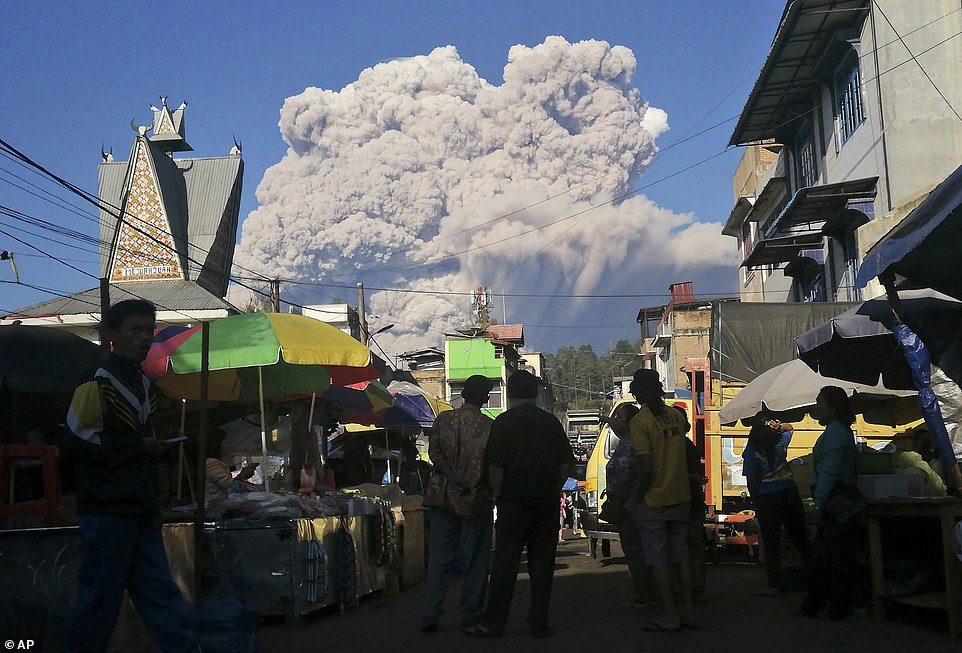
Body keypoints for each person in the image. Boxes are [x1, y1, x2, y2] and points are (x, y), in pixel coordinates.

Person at [63, 300, 196, 652]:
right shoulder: (96, 384)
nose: (143, 338)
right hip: (107, 510)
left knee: (160, 593)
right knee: (99, 600)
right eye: (134, 330)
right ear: (112, 335)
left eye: (147, 330)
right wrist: (140, 449)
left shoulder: (143, 385)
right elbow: (76, 445)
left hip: (140, 507)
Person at [467, 370, 575, 638]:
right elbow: (565, 465)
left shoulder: (503, 423)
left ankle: (493, 623)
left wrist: (498, 495)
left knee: (505, 564)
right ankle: (539, 623)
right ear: (536, 393)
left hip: (512, 504)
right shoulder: (550, 423)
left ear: (510, 393)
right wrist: (552, 490)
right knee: (542, 564)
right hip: (545, 504)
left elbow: (496, 468)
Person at [421, 375, 495, 633]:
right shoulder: (489, 427)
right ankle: (470, 617)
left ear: (463, 394)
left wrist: (452, 476)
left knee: (440, 559)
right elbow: (492, 467)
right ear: (485, 396)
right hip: (475, 499)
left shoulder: (444, 420)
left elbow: (434, 454)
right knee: (476, 560)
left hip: (442, 497)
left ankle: (431, 613)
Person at [628, 369, 695, 632]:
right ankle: (688, 610)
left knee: (658, 559)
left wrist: (636, 497)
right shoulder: (676, 416)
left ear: (638, 395)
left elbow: (645, 467)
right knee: (682, 557)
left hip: (654, 499)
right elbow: (685, 430)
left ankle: (670, 616)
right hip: (681, 496)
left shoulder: (640, 422)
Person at [802, 386, 862, 621]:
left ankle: (834, 607)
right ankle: (822, 605)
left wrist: (818, 503)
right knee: (831, 556)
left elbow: (830, 471)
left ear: (833, 407)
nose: (815, 408)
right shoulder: (837, 431)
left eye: (820, 403)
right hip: (835, 496)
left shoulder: (836, 433)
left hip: (835, 498)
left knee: (834, 557)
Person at [743, 418, 810, 594]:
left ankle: (774, 584)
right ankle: (815, 575)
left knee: (772, 542)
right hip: (789, 493)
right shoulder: (780, 441)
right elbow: (791, 428)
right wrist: (779, 427)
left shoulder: (751, 451)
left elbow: (752, 481)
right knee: (800, 537)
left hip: (766, 499)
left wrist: (756, 501)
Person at [600, 402, 650, 608]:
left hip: (629, 504)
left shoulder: (631, 444)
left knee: (635, 550)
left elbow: (627, 474)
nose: (615, 421)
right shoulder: (626, 441)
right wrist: (608, 420)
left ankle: (643, 594)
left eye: (620, 417)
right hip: (627, 503)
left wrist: (616, 498)